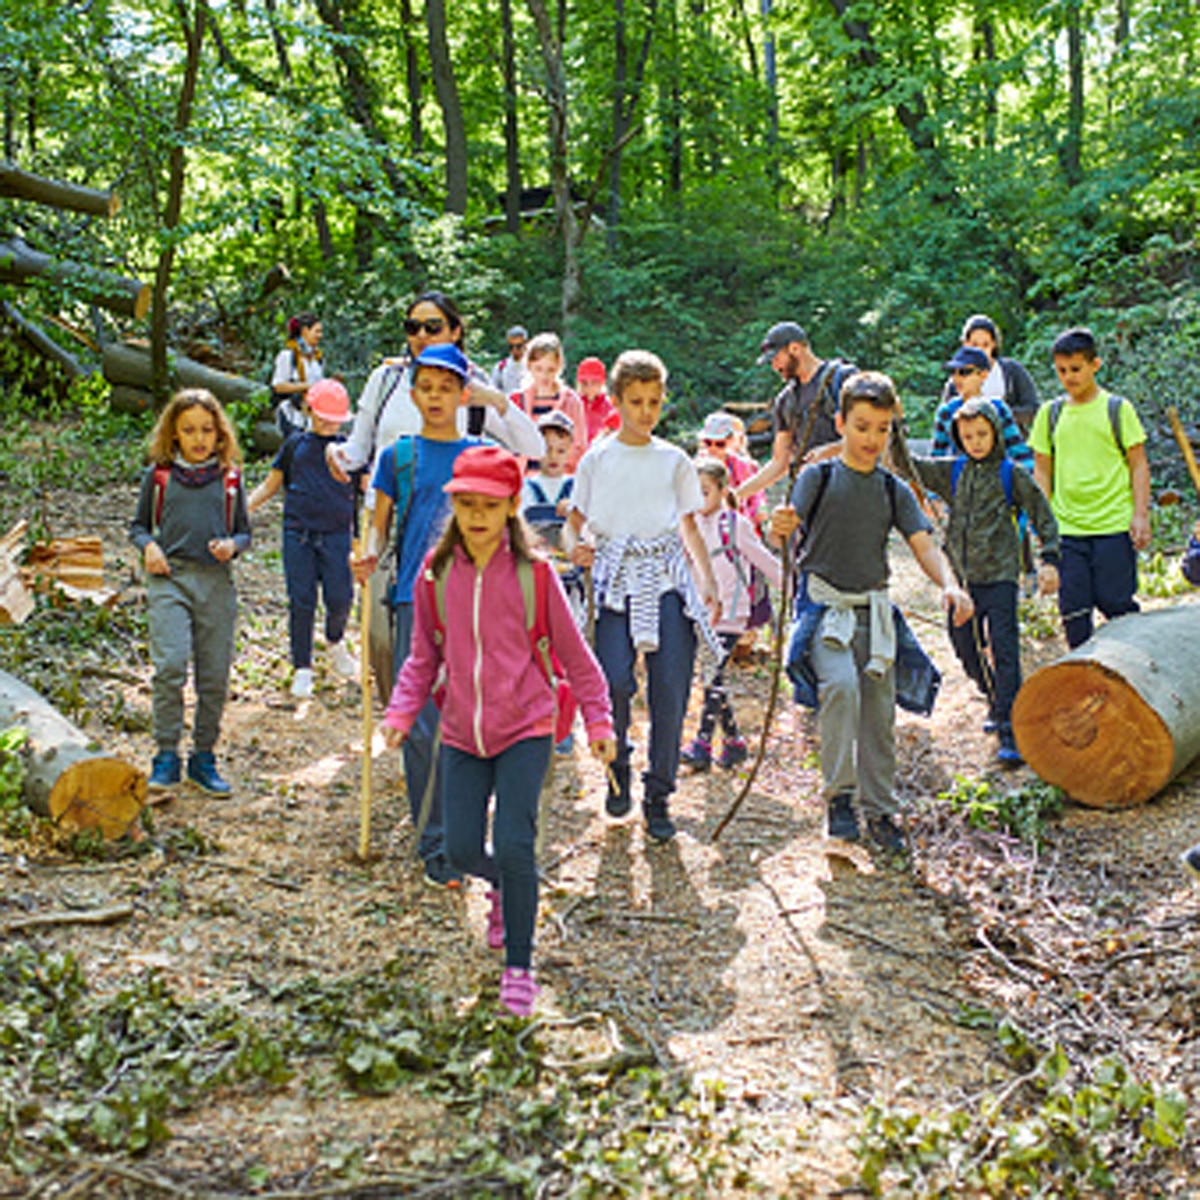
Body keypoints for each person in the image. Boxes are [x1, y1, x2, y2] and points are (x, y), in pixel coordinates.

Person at [383, 446, 615, 1016]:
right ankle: (503, 887)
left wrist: (600, 719)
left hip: (526, 728)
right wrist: (399, 713)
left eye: (488, 504)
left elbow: (578, 659)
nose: (476, 515)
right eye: (465, 504)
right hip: (462, 730)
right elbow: (421, 659)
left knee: (516, 841)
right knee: (461, 848)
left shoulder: (535, 577)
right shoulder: (435, 574)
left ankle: (519, 963)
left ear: (512, 505)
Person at [351, 343, 542, 888]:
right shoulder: (397, 456)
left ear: (464, 393)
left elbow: (513, 517)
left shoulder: (482, 453)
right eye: (426, 388)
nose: (435, 398)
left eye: (446, 388)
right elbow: (380, 527)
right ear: (413, 395)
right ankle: (435, 843)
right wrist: (366, 556)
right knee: (424, 727)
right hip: (418, 598)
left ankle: (463, 831)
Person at [771, 371, 973, 854]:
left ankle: (881, 809)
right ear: (841, 423)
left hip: (874, 611)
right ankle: (840, 799)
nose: (872, 439)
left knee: (879, 710)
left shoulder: (892, 490)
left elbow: (924, 546)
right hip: (825, 608)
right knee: (839, 687)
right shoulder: (817, 477)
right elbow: (787, 522)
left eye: (882, 429)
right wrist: (779, 524)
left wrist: (950, 584)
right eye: (862, 426)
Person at [329, 291, 540, 702]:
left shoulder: (470, 383)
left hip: (456, 529)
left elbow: (532, 446)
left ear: (456, 330)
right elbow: (359, 448)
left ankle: (439, 736)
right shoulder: (387, 379)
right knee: (382, 639)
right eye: (413, 327)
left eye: (433, 326)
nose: (421, 335)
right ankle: (408, 721)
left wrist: (494, 400)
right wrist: (334, 453)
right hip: (387, 523)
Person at [567, 349, 722, 843]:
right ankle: (619, 771)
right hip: (614, 580)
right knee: (612, 680)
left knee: (670, 689)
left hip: (667, 578)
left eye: (654, 401)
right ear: (616, 401)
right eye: (636, 401)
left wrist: (707, 581)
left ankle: (659, 793)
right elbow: (572, 526)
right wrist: (577, 551)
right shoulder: (597, 459)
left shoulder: (674, 460)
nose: (646, 412)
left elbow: (689, 527)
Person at [909, 399, 1060, 766]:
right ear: (958, 439)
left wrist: (1050, 560)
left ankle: (1011, 729)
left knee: (1005, 649)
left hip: (1002, 577)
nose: (976, 442)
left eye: (982, 434)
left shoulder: (1012, 473)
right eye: (967, 436)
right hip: (962, 581)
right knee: (964, 645)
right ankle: (994, 698)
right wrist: (894, 428)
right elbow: (909, 467)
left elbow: (1044, 516)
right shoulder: (953, 472)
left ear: (995, 431)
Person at [129, 388, 251, 798]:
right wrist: (149, 546)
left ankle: (203, 757)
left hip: (216, 583)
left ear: (219, 434)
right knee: (170, 666)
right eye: (189, 430)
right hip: (171, 580)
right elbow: (139, 526)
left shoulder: (230, 479)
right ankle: (166, 754)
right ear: (173, 434)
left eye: (207, 430)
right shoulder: (159, 477)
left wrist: (232, 546)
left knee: (214, 677)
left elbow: (245, 533)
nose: (199, 439)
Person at [1029, 327, 1151, 649]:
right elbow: (1042, 471)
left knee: (1117, 604)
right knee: (1074, 610)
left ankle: (1132, 674)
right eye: (1061, 371)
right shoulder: (1050, 414)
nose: (1069, 377)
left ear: (1094, 365)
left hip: (1113, 523)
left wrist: (1140, 515)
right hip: (1068, 529)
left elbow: (1138, 464)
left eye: (1076, 369)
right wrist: (1043, 528)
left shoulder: (1118, 409)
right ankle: (1081, 680)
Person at [248, 378, 358, 699]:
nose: (327, 421)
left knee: (340, 597)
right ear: (309, 409)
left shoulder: (350, 449)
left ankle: (335, 641)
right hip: (298, 533)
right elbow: (271, 485)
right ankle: (302, 667)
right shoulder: (294, 445)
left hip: (337, 534)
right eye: (322, 413)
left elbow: (366, 490)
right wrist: (242, 509)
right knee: (302, 599)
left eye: (334, 415)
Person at [680, 458, 783, 771]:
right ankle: (735, 742)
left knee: (711, 672)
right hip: (702, 611)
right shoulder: (689, 525)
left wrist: (794, 587)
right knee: (713, 676)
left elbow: (762, 559)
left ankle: (701, 743)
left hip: (732, 612)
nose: (700, 500)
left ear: (723, 491)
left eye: (706, 492)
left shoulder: (735, 524)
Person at [733, 321, 857, 506]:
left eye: (776, 358)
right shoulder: (785, 401)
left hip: (851, 493)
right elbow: (779, 463)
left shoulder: (843, 380)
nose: (774, 366)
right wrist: (736, 495)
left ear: (795, 348)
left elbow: (873, 437)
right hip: (811, 497)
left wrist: (831, 451)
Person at [930, 346, 1033, 471]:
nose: (957, 379)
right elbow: (936, 459)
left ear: (983, 375)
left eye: (964, 372)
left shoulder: (998, 408)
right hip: (960, 481)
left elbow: (1019, 452)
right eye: (953, 373)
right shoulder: (946, 412)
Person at [950, 313, 1041, 433]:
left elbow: (1033, 410)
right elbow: (948, 418)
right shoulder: (957, 378)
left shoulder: (1012, 371)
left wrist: (999, 414)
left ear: (994, 344)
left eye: (985, 345)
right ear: (965, 344)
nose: (980, 350)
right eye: (974, 345)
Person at [512, 332, 588, 470]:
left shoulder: (571, 401)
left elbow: (579, 446)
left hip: (560, 477)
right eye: (539, 369)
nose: (544, 375)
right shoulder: (517, 400)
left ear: (559, 366)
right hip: (524, 479)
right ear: (529, 366)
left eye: (550, 370)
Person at [698, 410, 762, 527]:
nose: (713, 448)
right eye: (708, 443)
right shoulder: (698, 465)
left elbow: (758, 501)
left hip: (739, 524)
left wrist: (757, 518)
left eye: (720, 444)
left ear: (733, 441)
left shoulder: (743, 466)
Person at [271, 312, 325, 440]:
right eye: (317, 331)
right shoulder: (288, 356)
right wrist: (306, 386)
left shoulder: (318, 359)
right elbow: (278, 386)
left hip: (311, 418)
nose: (320, 336)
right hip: (291, 416)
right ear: (305, 331)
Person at [575, 356, 620, 443]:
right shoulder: (575, 404)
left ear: (602, 383)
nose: (589, 387)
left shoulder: (609, 408)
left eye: (594, 383)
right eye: (585, 383)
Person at [491, 324, 530, 395]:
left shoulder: (535, 367)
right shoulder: (501, 368)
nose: (514, 350)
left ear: (526, 344)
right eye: (511, 346)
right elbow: (493, 392)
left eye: (518, 346)